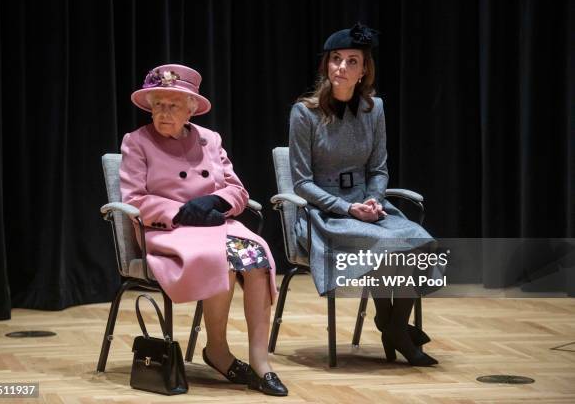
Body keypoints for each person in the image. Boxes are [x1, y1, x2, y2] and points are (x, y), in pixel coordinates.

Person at [120, 64, 288, 395]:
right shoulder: (137, 142)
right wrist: (182, 212)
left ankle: (260, 360)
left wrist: (214, 202)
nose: (163, 113)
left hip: (215, 225)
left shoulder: (210, 140)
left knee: (256, 259)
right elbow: (134, 199)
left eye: (172, 106)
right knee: (223, 257)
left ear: (191, 109)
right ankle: (219, 350)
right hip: (167, 232)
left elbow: (238, 191)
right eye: (158, 105)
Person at [289, 24, 438, 366]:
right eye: (335, 59)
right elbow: (300, 183)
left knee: (422, 242)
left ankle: (393, 324)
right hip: (323, 214)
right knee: (393, 247)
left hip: (368, 206)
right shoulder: (305, 113)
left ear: (364, 70)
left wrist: (372, 200)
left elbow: (379, 169)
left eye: (351, 61)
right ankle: (395, 327)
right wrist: (348, 208)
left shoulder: (375, 109)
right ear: (326, 65)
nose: (341, 67)